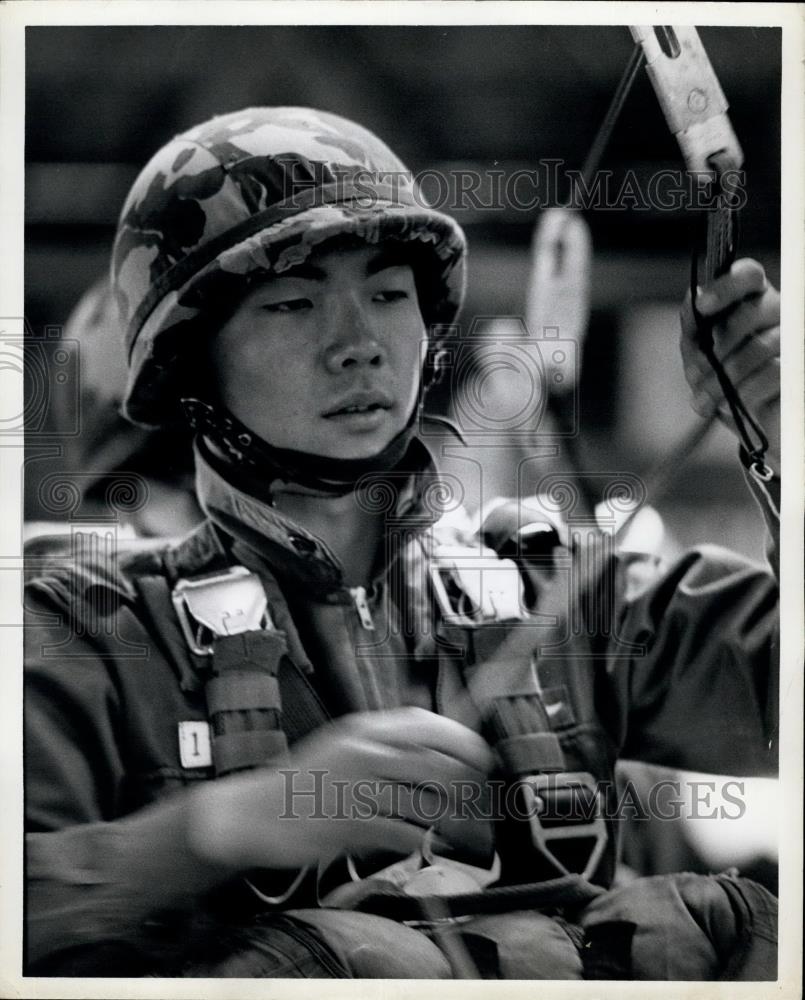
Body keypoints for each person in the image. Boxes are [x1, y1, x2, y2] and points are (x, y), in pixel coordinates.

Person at [24, 107, 781, 980]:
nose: (358, 346)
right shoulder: (87, 626)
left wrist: (781, 444)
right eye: (293, 302)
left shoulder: (561, 590)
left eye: (388, 295)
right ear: (190, 363)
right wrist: (213, 829)